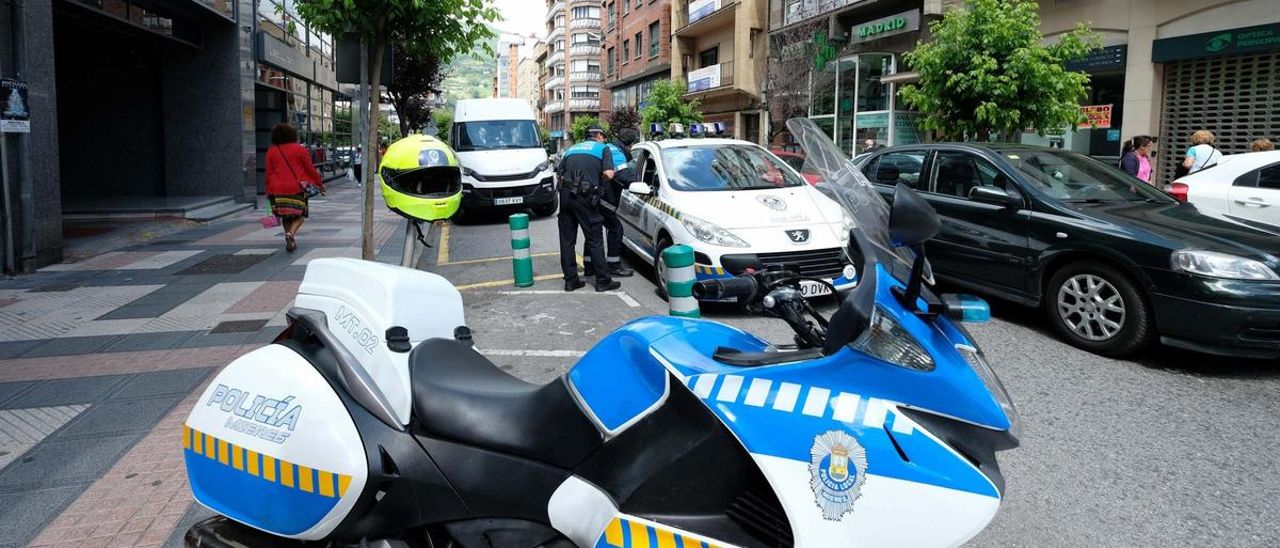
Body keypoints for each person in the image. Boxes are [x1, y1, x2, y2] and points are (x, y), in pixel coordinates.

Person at [557, 125, 621, 293]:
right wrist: (596, 180)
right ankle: (602, 281)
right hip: (585, 197)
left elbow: (560, 172)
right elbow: (609, 174)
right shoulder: (603, 148)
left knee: (567, 239)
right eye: (603, 136)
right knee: (594, 238)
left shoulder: (571, 149)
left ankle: (571, 281)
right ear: (598, 135)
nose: (604, 139)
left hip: (565, 196)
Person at [584, 127, 640, 279]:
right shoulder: (616, 152)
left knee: (593, 233)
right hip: (603, 200)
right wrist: (643, 184)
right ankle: (614, 265)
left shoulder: (609, 148)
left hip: (592, 197)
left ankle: (589, 266)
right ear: (630, 144)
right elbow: (625, 177)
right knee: (616, 229)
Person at [265, 123, 325, 253]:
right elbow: (310, 169)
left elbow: (268, 173)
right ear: (292, 134)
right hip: (297, 187)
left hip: (276, 189)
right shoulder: (299, 149)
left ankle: (290, 238)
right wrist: (319, 184)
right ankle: (291, 234)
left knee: (286, 216)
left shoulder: (272, 151)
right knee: (300, 215)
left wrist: (267, 190)